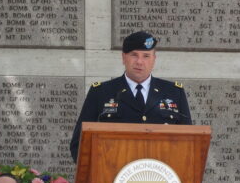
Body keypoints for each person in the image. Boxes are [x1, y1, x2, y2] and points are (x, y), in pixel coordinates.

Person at [69, 30, 192, 161]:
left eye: (146, 56)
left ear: (154, 59)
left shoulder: (173, 92)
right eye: (134, 55)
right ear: (123, 58)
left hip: (161, 178)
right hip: (115, 176)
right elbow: (79, 145)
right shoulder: (101, 92)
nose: (139, 61)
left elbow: (190, 143)